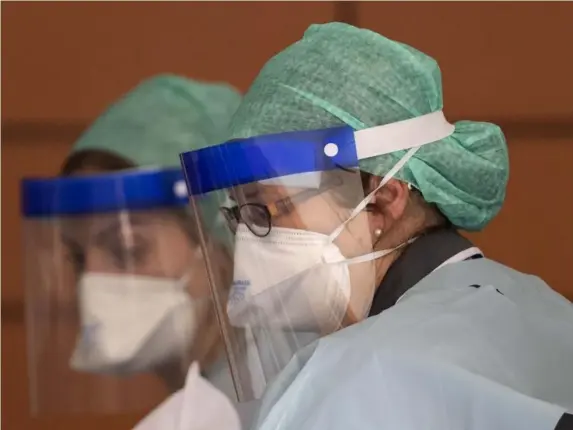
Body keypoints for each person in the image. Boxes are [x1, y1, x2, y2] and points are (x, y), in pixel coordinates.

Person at [179, 23, 573, 430]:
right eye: (239, 214)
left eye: (263, 209)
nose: (247, 238)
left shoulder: (366, 376)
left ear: (381, 203)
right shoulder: (545, 312)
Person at [21, 75, 251, 429]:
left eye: (127, 249)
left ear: (220, 237)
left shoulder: (274, 410)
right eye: (78, 259)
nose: (93, 281)